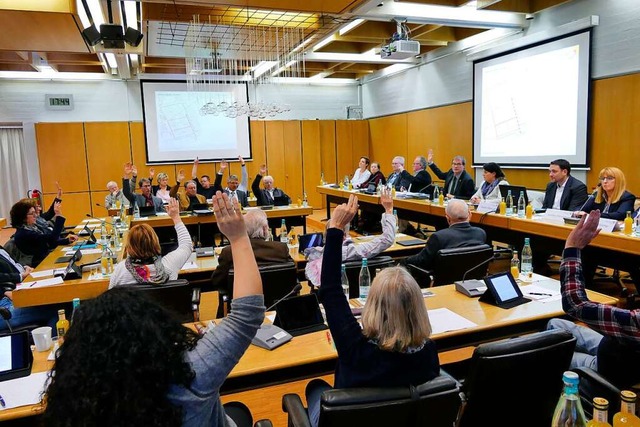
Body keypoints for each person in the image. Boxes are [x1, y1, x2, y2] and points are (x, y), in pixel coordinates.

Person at [42, 191, 266, 427]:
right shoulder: (190, 374)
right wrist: (237, 237)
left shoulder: (86, 403)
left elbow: (111, 304)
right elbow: (245, 315)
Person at [304, 194, 439, 427]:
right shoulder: (429, 351)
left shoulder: (355, 348)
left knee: (315, 387)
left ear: (373, 306)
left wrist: (335, 228)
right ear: (418, 307)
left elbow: (331, 289)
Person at [546, 210, 640, 389]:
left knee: (547, 355)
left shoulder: (636, 322)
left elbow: (575, 304)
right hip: (614, 346)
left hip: (611, 368)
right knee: (555, 324)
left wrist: (572, 247)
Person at [305, 188, 396, 287]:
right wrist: (388, 210)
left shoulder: (318, 256)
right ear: (344, 235)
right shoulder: (352, 251)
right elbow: (387, 238)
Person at [211, 209, 293, 316]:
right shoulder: (281, 249)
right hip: (279, 312)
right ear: (264, 229)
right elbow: (292, 275)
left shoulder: (230, 251)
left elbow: (216, 281)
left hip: (240, 314)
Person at [109, 198, 192, 287]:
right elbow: (186, 245)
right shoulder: (169, 264)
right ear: (156, 242)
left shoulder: (121, 270)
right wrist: (176, 217)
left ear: (130, 246)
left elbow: (110, 297)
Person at [400, 199, 486, 271]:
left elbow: (422, 261)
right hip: (473, 279)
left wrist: (404, 261)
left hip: (442, 282)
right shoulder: (480, 233)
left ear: (447, 218)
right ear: (470, 215)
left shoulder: (439, 237)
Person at [0, 246, 57, 331]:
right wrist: (3, 292)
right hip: (3, 309)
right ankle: (53, 343)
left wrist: (24, 268)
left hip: (10, 298)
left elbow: (13, 263)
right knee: (57, 310)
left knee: (54, 303)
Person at [11, 200, 70, 267]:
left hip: (45, 258)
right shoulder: (24, 233)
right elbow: (52, 239)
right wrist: (58, 215)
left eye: (35, 213)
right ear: (23, 216)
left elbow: (49, 242)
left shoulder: (32, 227)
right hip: (38, 264)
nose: (35, 215)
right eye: (32, 213)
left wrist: (67, 240)